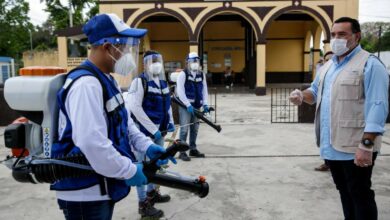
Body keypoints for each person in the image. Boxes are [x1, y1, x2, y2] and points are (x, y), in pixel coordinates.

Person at [51, 13, 174, 220]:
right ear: (108, 47)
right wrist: (129, 170)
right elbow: (91, 142)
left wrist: (147, 146)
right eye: (125, 47)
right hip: (84, 193)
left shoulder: (108, 80)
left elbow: (125, 124)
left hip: (101, 184)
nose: (128, 53)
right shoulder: (86, 85)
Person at [289, 17, 388, 220]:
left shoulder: (370, 64)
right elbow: (315, 91)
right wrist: (301, 95)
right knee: (344, 192)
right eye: (333, 35)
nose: (336, 39)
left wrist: (367, 144)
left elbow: (378, 106)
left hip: (356, 146)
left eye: (342, 34)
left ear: (356, 36)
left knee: (360, 194)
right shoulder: (328, 66)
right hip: (332, 144)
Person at [127, 50, 174, 218]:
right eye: (152, 61)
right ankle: (143, 204)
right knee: (142, 167)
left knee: (155, 165)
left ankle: (152, 193)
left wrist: (171, 122)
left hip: (159, 132)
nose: (156, 64)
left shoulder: (162, 83)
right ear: (145, 63)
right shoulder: (140, 81)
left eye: (158, 60)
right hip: (143, 134)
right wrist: (153, 129)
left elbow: (167, 105)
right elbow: (135, 108)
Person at [176, 52, 209, 161]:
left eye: (197, 61)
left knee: (194, 129)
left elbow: (204, 90)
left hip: (197, 106)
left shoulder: (201, 74)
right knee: (184, 129)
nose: (195, 63)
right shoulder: (183, 74)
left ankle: (193, 148)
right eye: (193, 61)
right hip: (185, 107)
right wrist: (187, 104)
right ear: (188, 62)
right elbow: (180, 91)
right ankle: (182, 151)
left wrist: (205, 104)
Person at [314, 51, 334, 172]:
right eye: (327, 59)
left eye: (332, 59)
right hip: (325, 111)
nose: (329, 61)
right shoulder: (322, 71)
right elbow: (314, 89)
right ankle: (327, 162)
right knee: (324, 137)